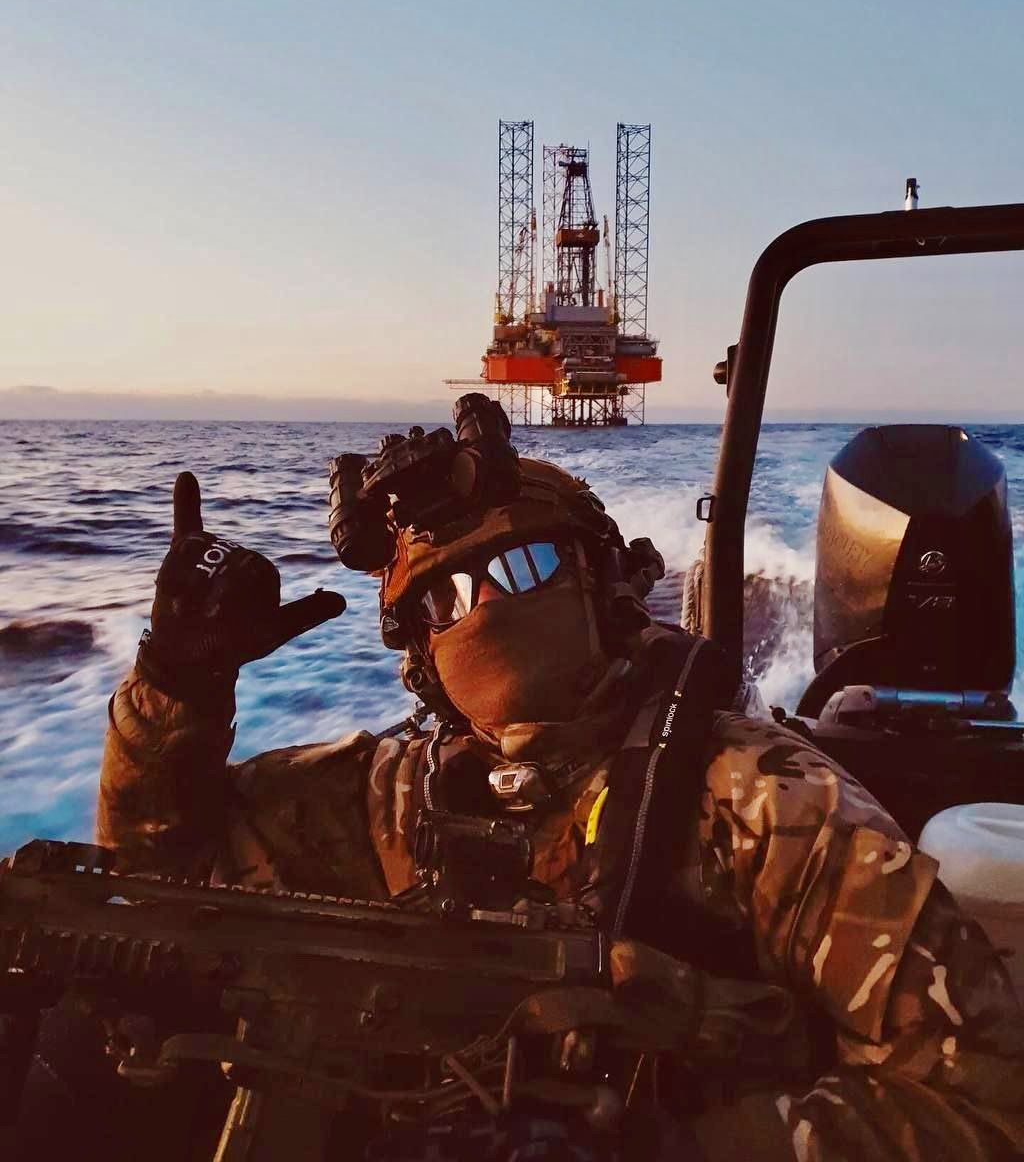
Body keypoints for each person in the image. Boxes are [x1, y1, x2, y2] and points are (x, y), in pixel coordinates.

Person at [92, 437, 1023, 1162]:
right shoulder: (391, 795)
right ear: (418, 654)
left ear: (601, 587)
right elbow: (154, 884)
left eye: (522, 569)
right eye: (445, 600)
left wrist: (670, 1150)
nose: (485, 610)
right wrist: (176, 688)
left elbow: (982, 1098)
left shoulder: (763, 800)